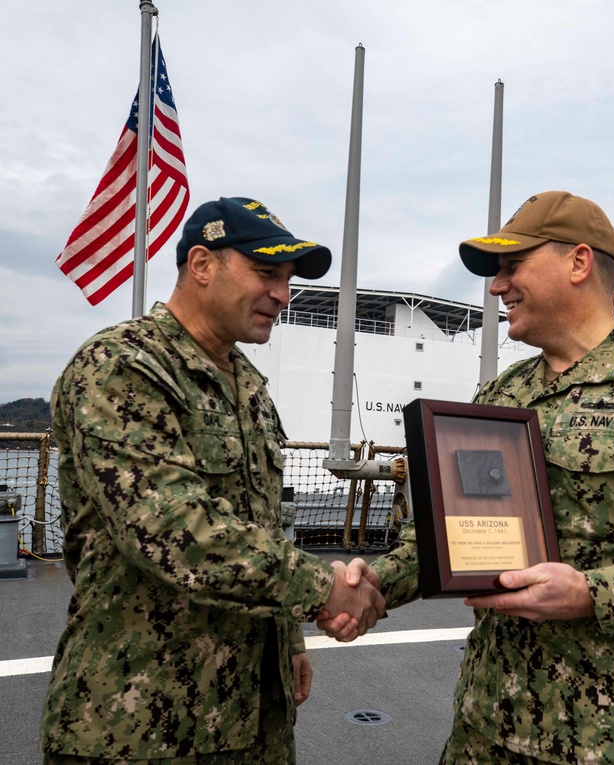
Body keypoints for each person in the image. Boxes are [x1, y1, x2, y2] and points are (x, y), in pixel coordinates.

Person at [324, 190, 614, 763]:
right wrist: (372, 586)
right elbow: (449, 537)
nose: (497, 286)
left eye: (512, 265)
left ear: (578, 262)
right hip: (490, 725)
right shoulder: (501, 396)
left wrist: (595, 594)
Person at [41, 197, 384, 764]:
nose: (283, 293)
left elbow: (263, 526)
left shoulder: (247, 384)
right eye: (267, 273)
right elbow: (172, 529)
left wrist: (287, 639)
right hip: (139, 721)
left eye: (289, 279)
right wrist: (322, 587)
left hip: (251, 714)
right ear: (201, 265)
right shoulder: (121, 366)